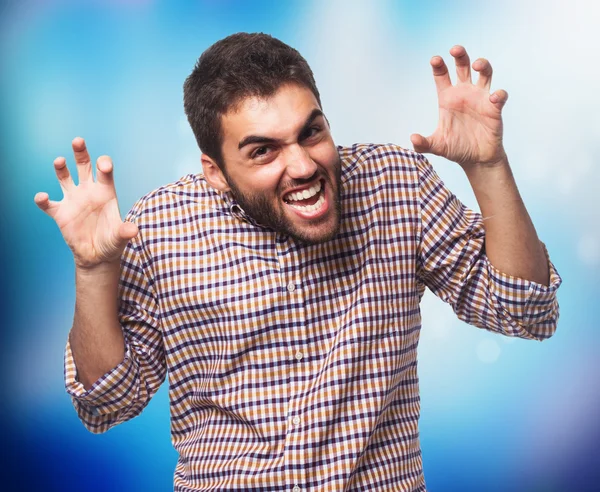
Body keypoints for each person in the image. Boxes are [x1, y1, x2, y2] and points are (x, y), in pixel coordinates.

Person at [35, 32, 562, 491]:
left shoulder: (396, 182)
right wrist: (93, 271)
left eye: (311, 131)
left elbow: (523, 310)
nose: (303, 165)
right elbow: (109, 402)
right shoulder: (158, 226)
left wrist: (488, 166)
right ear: (214, 171)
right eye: (263, 151)